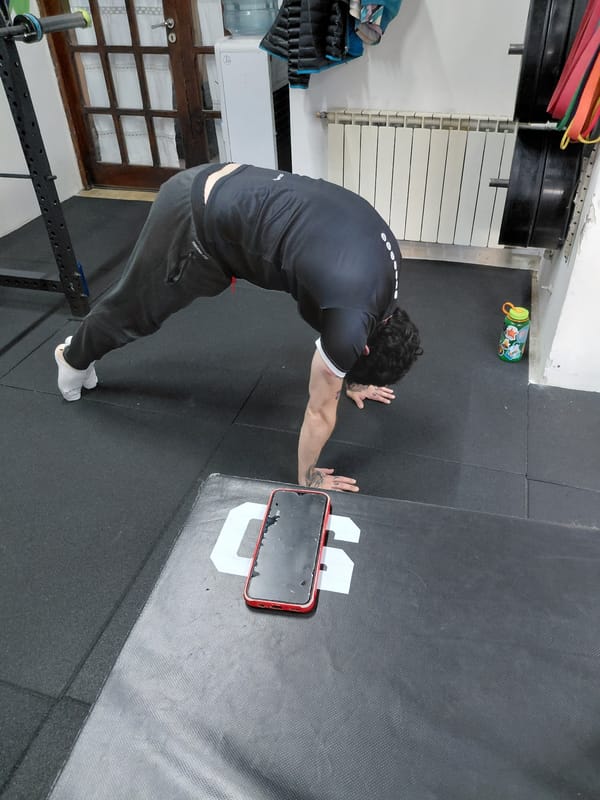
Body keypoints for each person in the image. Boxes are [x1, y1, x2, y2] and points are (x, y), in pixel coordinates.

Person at [54, 163, 422, 492]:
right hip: (193, 218)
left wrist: (356, 377)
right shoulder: (348, 322)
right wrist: (308, 478)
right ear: (365, 346)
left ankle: (79, 353)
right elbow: (319, 411)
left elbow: (330, 302)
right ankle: (72, 357)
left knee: (326, 328)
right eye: (356, 358)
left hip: (236, 182)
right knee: (138, 310)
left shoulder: (387, 269)